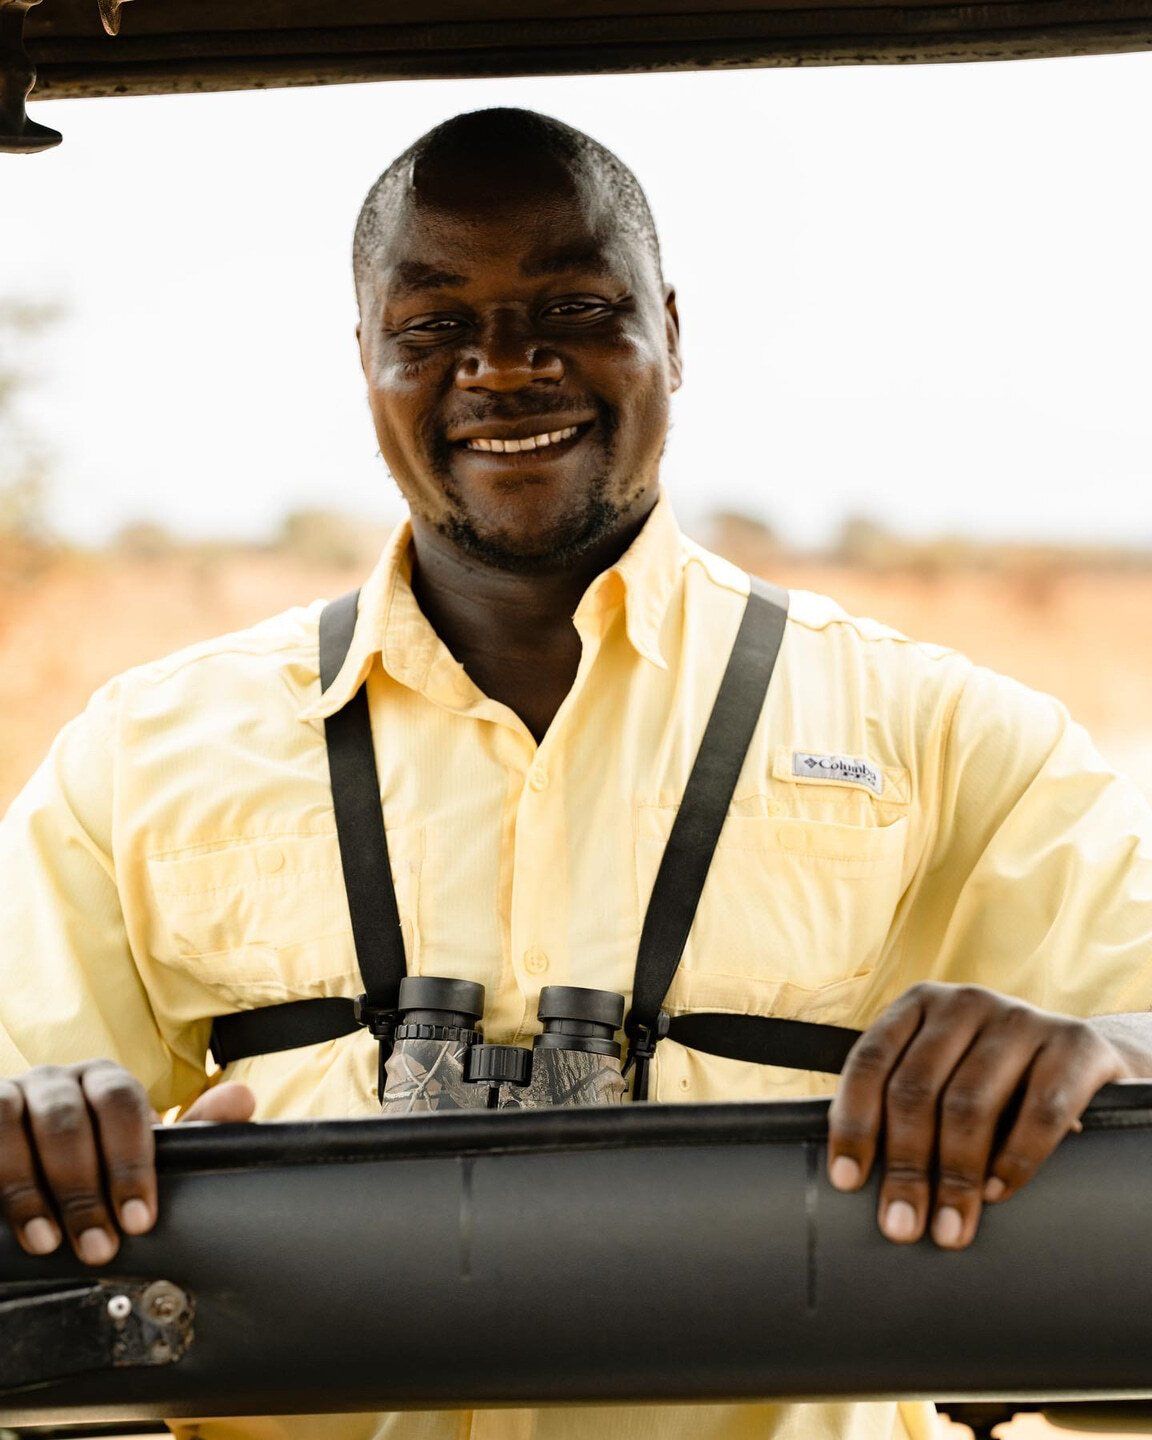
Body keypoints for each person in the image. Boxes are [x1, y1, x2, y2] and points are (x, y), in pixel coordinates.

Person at [1, 105, 1151, 1440]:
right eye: (434, 324)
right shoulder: (142, 755)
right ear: (364, 357)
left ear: (672, 329)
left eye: (575, 304)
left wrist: (1111, 1056)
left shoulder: (946, 734)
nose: (503, 366)